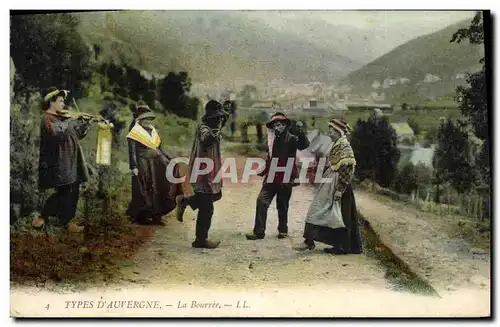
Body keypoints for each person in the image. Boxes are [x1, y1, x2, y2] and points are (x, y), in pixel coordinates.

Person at [295, 118, 363, 254]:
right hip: (331, 183)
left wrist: (339, 189)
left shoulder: (344, 146)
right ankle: (311, 241)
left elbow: (347, 170)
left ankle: (342, 247)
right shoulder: (337, 144)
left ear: (338, 132)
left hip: (339, 186)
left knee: (339, 216)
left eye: (332, 130)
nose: (329, 132)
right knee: (323, 211)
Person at [32, 87, 92, 233]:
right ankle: (43, 216)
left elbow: (76, 134)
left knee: (74, 190)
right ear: (51, 102)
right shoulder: (47, 118)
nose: (63, 104)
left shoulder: (62, 117)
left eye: (63, 101)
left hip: (73, 159)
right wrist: (71, 118)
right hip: (59, 160)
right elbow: (56, 132)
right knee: (64, 191)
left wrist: (85, 124)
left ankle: (66, 222)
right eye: (60, 101)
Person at [246, 112, 310, 240]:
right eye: (275, 125)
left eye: (280, 125)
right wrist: (264, 170)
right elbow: (270, 158)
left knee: (282, 204)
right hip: (271, 176)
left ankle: (283, 230)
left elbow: (304, 145)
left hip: (286, 175)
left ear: (285, 125)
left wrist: (300, 131)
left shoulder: (292, 138)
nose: (277, 127)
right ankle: (259, 232)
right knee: (261, 200)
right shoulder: (271, 140)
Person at [176, 100, 228, 249]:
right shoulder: (204, 129)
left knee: (209, 198)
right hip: (203, 173)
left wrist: (223, 120)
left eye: (220, 118)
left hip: (210, 171)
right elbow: (206, 140)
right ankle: (200, 239)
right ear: (211, 118)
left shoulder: (212, 128)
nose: (219, 120)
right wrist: (217, 129)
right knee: (207, 208)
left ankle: (184, 202)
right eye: (217, 118)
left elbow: (217, 129)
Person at [126, 105, 176, 226]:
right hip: (143, 164)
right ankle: (142, 216)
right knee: (145, 189)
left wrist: (169, 159)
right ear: (139, 120)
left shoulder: (153, 130)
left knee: (160, 188)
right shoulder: (134, 132)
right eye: (145, 119)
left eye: (149, 119)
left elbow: (160, 148)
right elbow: (132, 151)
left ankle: (157, 216)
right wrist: (133, 167)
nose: (148, 121)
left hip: (157, 164)